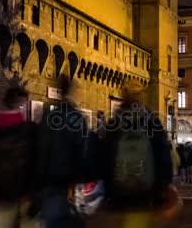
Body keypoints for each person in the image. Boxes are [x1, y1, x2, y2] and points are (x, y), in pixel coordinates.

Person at [102, 79, 174, 228]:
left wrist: (107, 188)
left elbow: (104, 156)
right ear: (142, 96)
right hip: (145, 191)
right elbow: (163, 154)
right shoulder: (150, 119)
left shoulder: (115, 121)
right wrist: (164, 184)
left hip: (118, 191)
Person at [38, 76, 94, 228]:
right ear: (72, 91)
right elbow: (84, 152)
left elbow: (41, 152)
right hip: (72, 185)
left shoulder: (49, 117)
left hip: (50, 183)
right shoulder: (78, 118)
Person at [0, 85, 39, 228]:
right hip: (25, 193)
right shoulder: (28, 130)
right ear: (22, 105)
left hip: (2, 193)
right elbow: (34, 161)